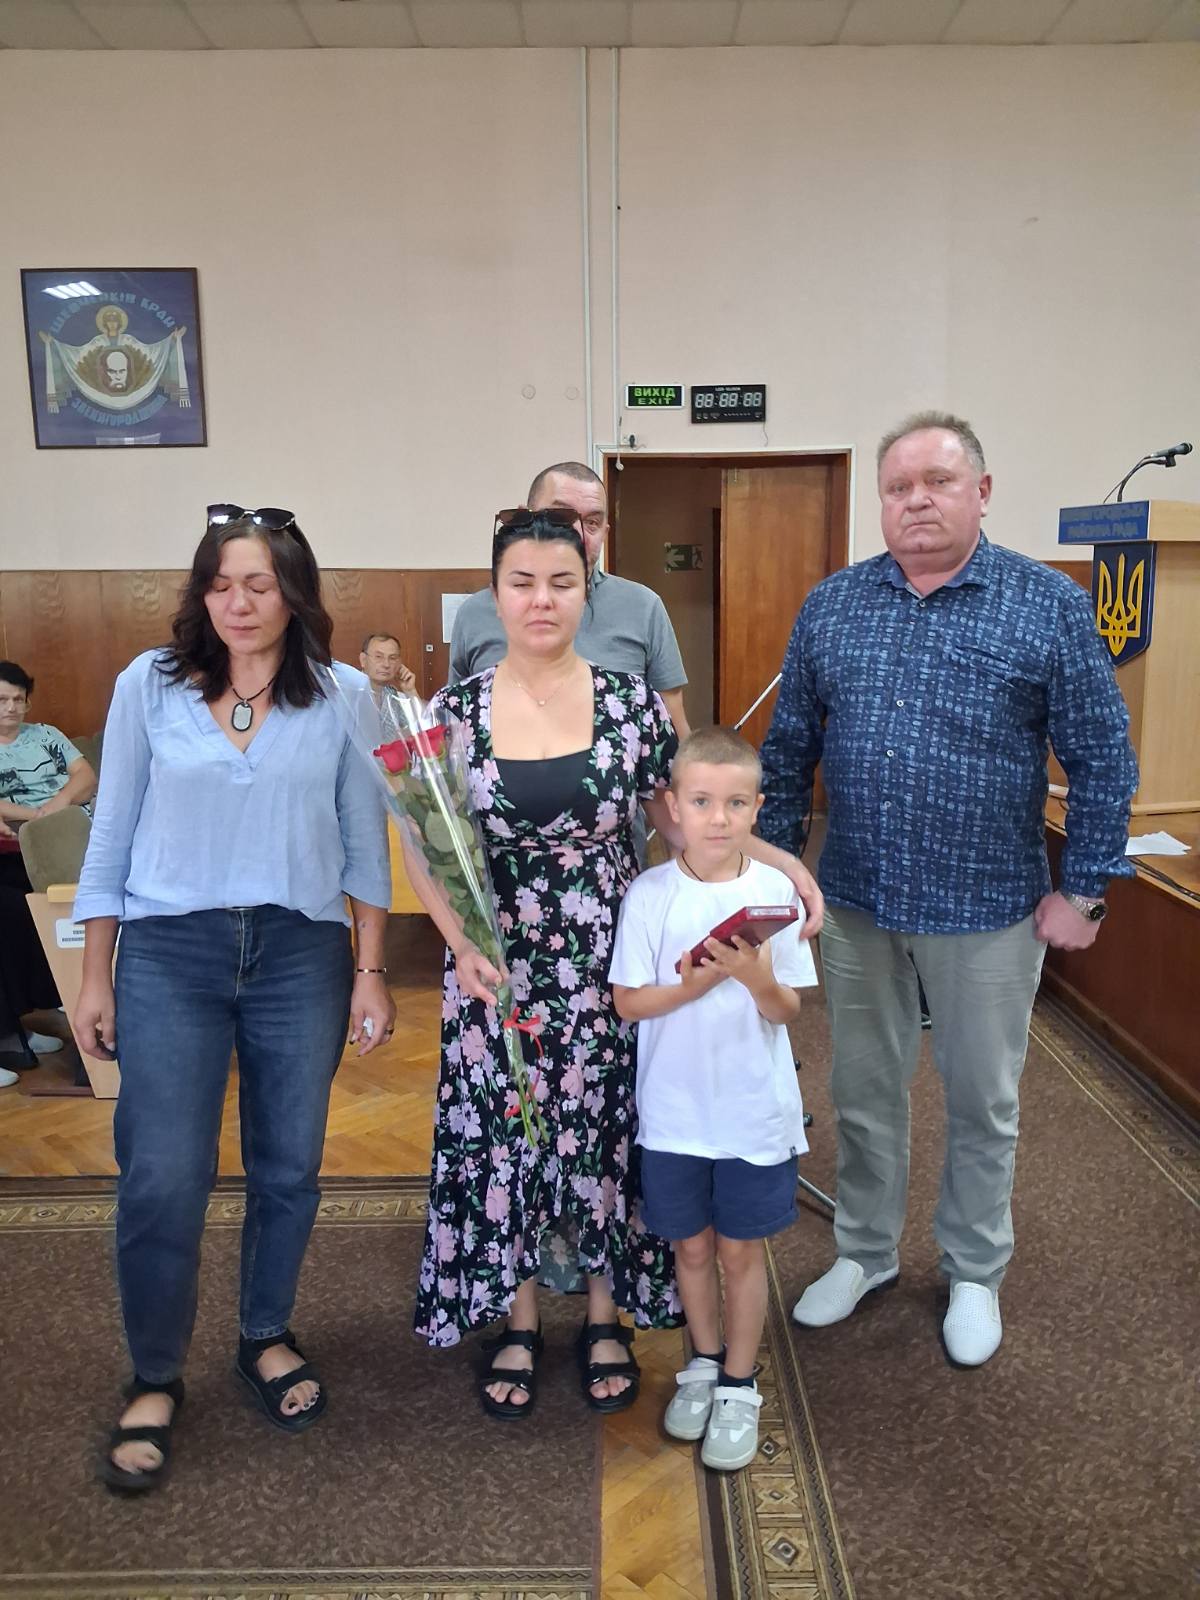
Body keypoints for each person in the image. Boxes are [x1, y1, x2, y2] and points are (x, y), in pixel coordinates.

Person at [408, 509, 822, 1419]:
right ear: (494, 595)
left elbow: (685, 814)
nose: (542, 600)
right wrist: (462, 944)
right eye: (522, 583)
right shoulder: (454, 711)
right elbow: (424, 843)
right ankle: (518, 1318)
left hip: (608, 951)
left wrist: (779, 864)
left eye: (562, 582)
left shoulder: (629, 701)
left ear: (585, 592)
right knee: (509, 1134)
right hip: (496, 960)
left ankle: (605, 1315)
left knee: (601, 1129)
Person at [759, 411, 1138, 1368]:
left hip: (990, 908)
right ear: (881, 503)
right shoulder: (833, 605)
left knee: (983, 1101)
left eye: (937, 481)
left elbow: (1103, 756)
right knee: (863, 1093)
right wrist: (771, 876)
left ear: (983, 492)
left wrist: (1086, 889)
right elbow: (788, 749)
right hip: (857, 902)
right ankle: (865, 1252)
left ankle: (974, 1271)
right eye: (898, 487)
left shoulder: (1047, 605)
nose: (916, 501)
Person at [72, 504, 393, 1493]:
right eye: (219, 584)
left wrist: (372, 970)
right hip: (170, 951)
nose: (238, 603)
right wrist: (94, 972)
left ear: (294, 593)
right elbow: (111, 830)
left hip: (301, 952)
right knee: (161, 1172)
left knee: (287, 1165)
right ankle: (154, 1372)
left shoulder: (342, 694)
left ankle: (264, 1332)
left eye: (259, 584)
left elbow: (365, 841)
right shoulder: (149, 683)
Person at [610, 726, 818, 1471]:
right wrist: (695, 984)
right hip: (674, 1113)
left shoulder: (773, 894)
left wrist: (756, 977)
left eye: (735, 803)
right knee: (691, 1247)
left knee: (739, 1252)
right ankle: (702, 1361)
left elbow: (787, 1008)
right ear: (672, 806)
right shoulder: (649, 894)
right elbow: (629, 1003)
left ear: (757, 808)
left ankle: (738, 1381)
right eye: (701, 802)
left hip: (752, 1113)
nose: (718, 818)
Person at [449, 461, 691, 738]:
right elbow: (455, 732)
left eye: (592, 523)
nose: (578, 535)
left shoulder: (643, 608)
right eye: (561, 518)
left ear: (605, 533)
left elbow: (673, 732)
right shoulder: (474, 614)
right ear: (525, 518)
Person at [0, 659, 98, 1080]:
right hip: (17, 844)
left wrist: (55, 807)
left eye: (18, 699)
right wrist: (37, 816)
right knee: (17, 912)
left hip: (68, 829)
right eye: (1, 700)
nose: (11, 708)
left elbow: (85, 776)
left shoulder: (46, 736)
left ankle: (33, 1017)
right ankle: (15, 1027)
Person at [359, 631, 417, 700]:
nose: (386, 664)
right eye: (378, 657)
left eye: (392, 658)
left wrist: (410, 691)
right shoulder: (349, 694)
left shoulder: (399, 698)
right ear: (363, 659)